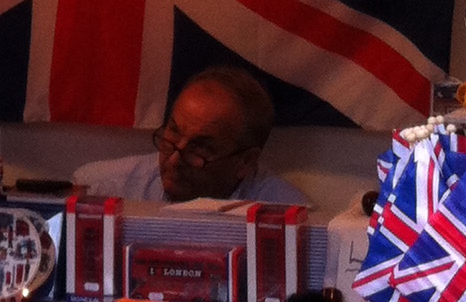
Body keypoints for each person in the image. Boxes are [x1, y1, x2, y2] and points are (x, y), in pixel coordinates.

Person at [74, 64, 304, 206]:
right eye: (173, 134)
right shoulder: (102, 190)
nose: (174, 160)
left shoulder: (289, 217)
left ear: (246, 162)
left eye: (199, 149)